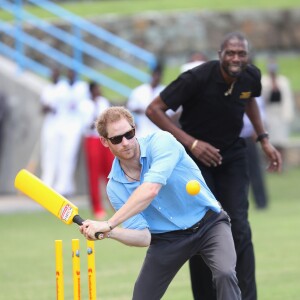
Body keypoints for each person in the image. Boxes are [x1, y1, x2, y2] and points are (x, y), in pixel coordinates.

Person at [146, 32, 282, 300]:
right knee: (202, 227)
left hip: (232, 155)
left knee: (239, 227)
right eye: (230, 53)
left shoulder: (250, 76)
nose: (235, 58)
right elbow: (154, 109)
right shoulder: (197, 78)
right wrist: (192, 143)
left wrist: (263, 139)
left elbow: (249, 99)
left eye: (241, 53)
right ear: (220, 54)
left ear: (247, 56)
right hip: (195, 162)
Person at [79, 106, 241, 300]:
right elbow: (143, 238)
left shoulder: (163, 142)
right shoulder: (114, 187)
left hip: (209, 224)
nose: (125, 143)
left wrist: (108, 223)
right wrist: (109, 232)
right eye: (116, 139)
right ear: (105, 142)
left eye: (129, 134)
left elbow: (151, 189)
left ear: (134, 128)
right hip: (167, 239)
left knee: (225, 273)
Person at [80, 81, 114, 219]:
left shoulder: (103, 102)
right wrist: (97, 119)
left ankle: (114, 203)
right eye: (97, 89)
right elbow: (87, 125)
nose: (99, 91)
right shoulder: (85, 105)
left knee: (110, 171)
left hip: (104, 139)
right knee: (94, 173)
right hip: (92, 138)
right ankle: (97, 207)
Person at [261, 57, 295, 167]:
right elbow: (262, 99)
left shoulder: (283, 81)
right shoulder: (264, 81)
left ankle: (281, 164)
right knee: (269, 141)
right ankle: (270, 164)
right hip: (269, 114)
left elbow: (287, 100)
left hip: (280, 114)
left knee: (281, 141)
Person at [240, 96, 269, 209]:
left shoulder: (253, 93)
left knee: (255, 170)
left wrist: (258, 131)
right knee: (237, 172)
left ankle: (261, 202)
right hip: (233, 138)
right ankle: (241, 203)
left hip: (250, 136)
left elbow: (261, 112)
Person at [126, 64, 166, 138]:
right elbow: (131, 107)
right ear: (152, 75)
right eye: (155, 75)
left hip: (160, 130)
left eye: (159, 75)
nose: (157, 77)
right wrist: (146, 110)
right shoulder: (140, 90)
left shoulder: (164, 90)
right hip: (142, 129)